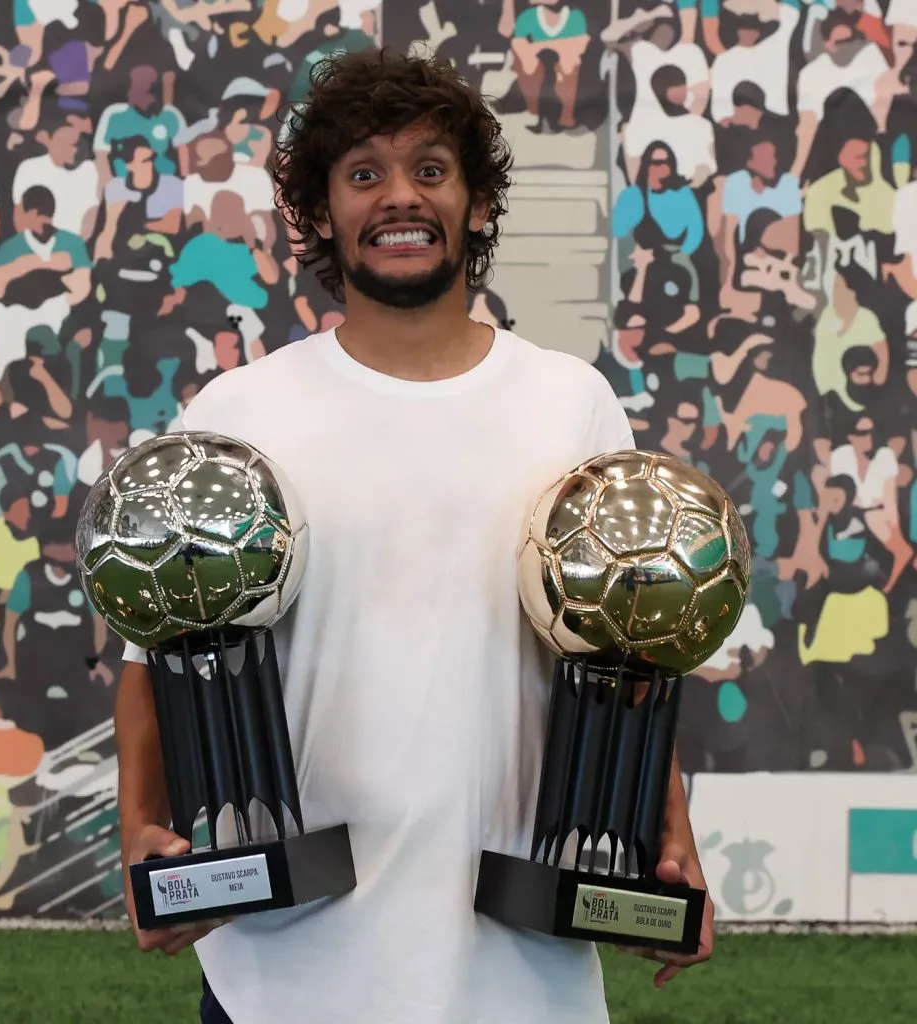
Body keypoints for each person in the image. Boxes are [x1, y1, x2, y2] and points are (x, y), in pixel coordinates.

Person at [114, 47, 714, 1024]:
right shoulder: (240, 411)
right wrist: (141, 828)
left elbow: (630, 660)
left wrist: (667, 844)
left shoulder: (572, 404)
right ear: (317, 213)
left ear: (477, 204)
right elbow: (158, 654)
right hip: (282, 978)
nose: (400, 196)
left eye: (430, 169)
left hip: (518, 980)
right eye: (364, 174)